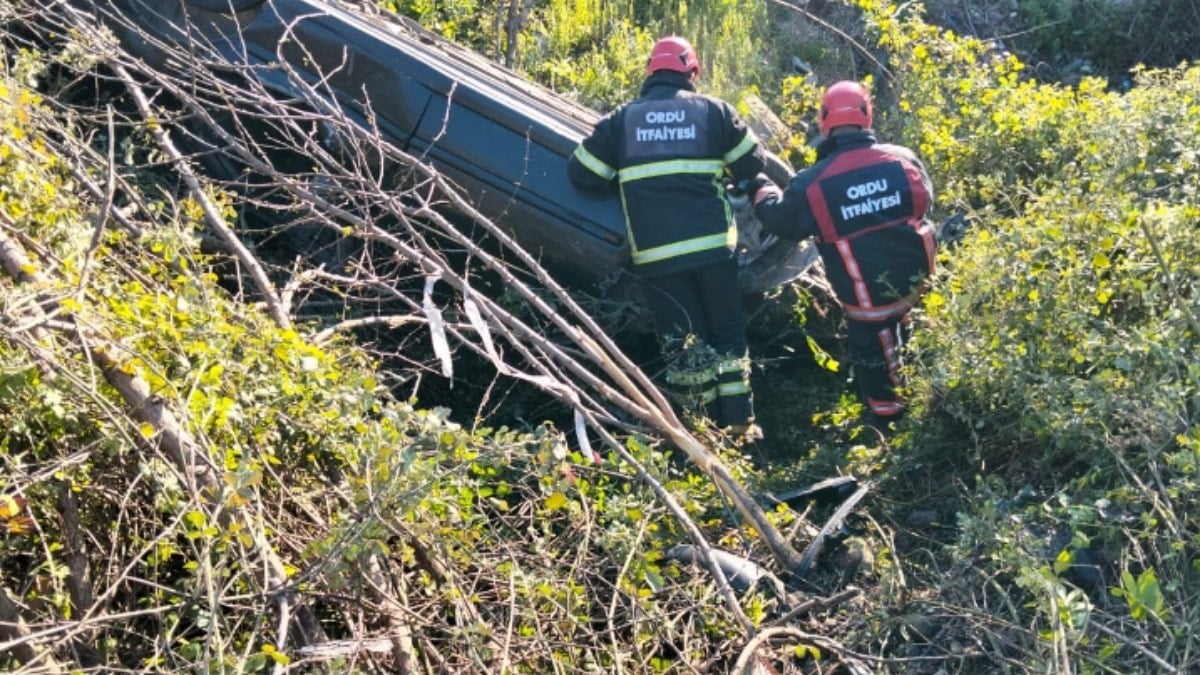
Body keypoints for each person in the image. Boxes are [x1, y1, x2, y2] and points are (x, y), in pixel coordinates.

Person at [566, 36, 766, 440]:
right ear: (693, 72)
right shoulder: (714, 112)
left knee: (685, 343)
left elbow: (582, 174)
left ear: (649, 72)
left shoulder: (623, 121)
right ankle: (740, 422)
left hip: (659, 258)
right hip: (714, 249)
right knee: (726, 331)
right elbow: (753, 162)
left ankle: (701, 433)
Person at [750, 80, 937, 423]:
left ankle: (888, 422)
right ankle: (926, 387)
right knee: (910, 332)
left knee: (874, 354)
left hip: (869, 300)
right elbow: (926, 201)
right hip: (921, 283)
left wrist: (760, 186)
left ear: (824, 121)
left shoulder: (813, 183)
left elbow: (781, 222)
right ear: (867, 116)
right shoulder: (904, 159)